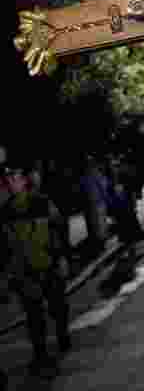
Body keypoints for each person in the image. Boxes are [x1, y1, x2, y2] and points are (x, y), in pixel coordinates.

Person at [0, 158, 72, 377]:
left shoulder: (42, 202)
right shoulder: (5, 212)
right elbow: (4, 245)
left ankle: (62, 334)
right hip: (25, 271)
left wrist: (61, 257)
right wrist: (7, 274)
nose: (12, 183)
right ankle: (40, 352)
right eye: (8, 180)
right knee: (34, 315)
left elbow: (59, 227)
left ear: (24, 181)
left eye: (16, 178)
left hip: (48, 263)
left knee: (57, 305)